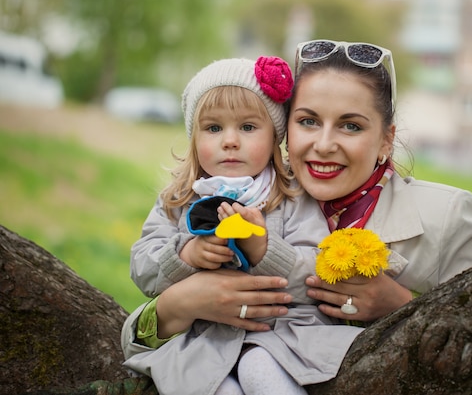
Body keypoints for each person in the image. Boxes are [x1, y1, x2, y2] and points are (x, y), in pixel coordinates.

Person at [121, 40, 472, 394]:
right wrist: (180, 303)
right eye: (308, 121)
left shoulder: (447, 215)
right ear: (286, 130)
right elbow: (139, 320)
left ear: (386, 139)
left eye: (351, 125)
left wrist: (403, 306)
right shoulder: (265, 192)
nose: (323, 145)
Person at [123, 55, 366, 395]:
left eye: (248, 128)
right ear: (194, 137)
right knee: (211, 386)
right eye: (213, 128)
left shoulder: (293, 197)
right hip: (206, 338)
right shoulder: (178, 201)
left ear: (274, 138)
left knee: (259, 370)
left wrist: (265, 250)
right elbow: (143, 268)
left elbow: (321, 268)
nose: (230, 140)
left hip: (285, 336)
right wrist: (187, 255)